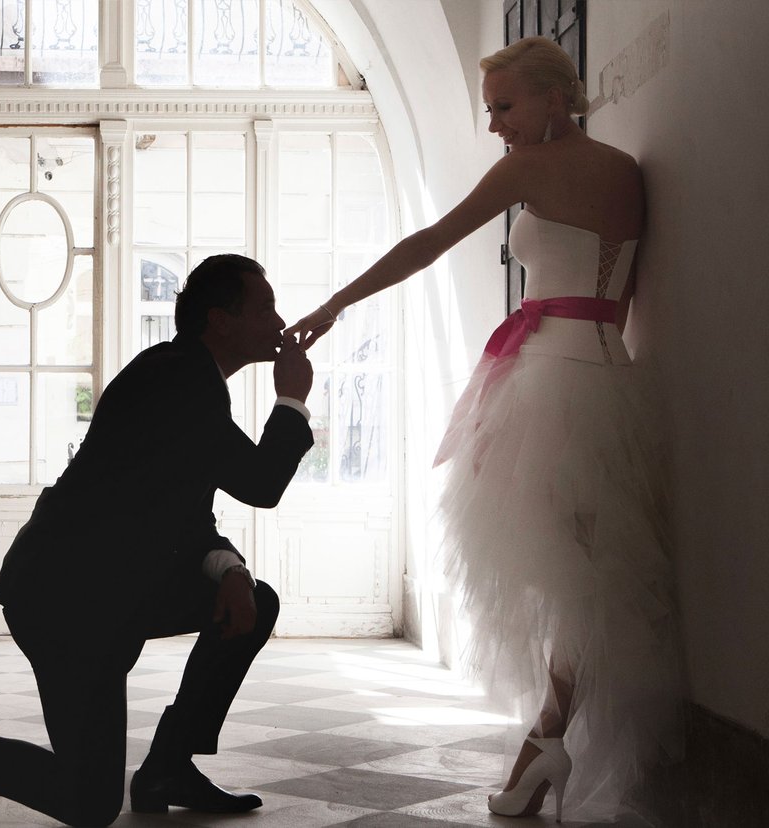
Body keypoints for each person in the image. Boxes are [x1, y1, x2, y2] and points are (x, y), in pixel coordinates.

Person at [285, 36, 683, 823]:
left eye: (504, 106)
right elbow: (621, 294)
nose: (496, 124)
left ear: (553, 96)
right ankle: (548, 739)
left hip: (553, 383)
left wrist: (336, 304)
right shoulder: (625, 169)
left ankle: (545, 741)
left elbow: (427, 243)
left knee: (564, 578)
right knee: (590, 578)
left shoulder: (528, 169)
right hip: (608, 372)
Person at [0, 254, 315, 827]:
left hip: (111, 592)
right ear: (220, 320)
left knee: (253, 601)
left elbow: (180, 511)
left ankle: (168, 769)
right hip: (65, 603)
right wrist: (292, 398)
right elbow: (260, 483)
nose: (279, 321)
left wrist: (230, 570)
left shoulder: (186, 375)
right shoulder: (179, 378)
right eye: (265, 308)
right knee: (90, 802)